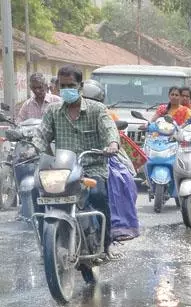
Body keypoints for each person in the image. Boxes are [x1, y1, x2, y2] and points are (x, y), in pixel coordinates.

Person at [32, 65, 121, 256]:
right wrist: (35, 147)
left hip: (92, 167)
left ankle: (106, 245)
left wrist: (112, 144)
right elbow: (41, 134)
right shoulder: (53, 111)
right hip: (63, 169)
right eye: (62, 86)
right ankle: (46, 247)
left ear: (80, 86)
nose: (66, 90)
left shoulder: (97, 109)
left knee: (98, 195)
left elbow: (109, 130)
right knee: (36, 191)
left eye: (70, 85)